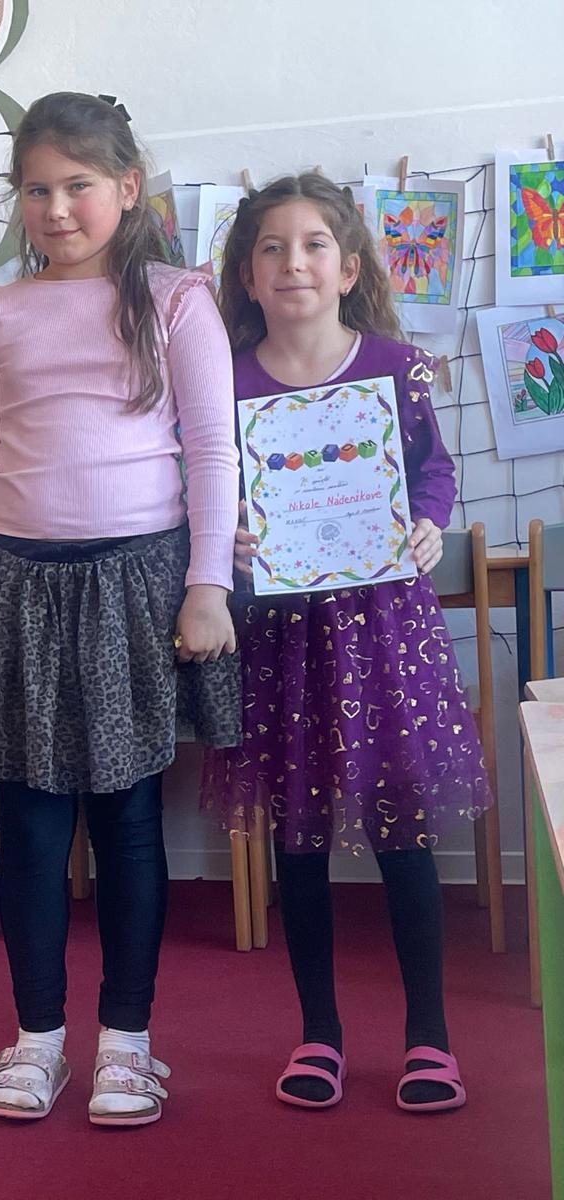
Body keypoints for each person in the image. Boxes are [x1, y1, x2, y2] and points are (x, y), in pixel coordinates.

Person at [0, 93, 241, 1126]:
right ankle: (36, 1041)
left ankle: (126, 1042)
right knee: (27, 829)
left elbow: (212, 448)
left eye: (78, 186)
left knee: (126, 824)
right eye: (36, 190)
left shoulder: (174, 299)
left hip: (136, 587)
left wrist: (207, 583)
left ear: (127, 187)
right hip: (16, 588)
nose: (57, 208)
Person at [205, 172, 489, 1114]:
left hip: (386, 635)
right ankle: (318, 1032)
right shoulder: (224, 380)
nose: (294, 262)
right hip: (282, 638)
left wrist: (428, 523)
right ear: (248, 275)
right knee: (300, 837)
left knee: (405, 831)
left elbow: (432, 470)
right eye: (272, 248)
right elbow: (205, 488)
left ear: (349, 267)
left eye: (314, 244)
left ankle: (429, 1036)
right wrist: (226, 537)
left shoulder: (399, 367)